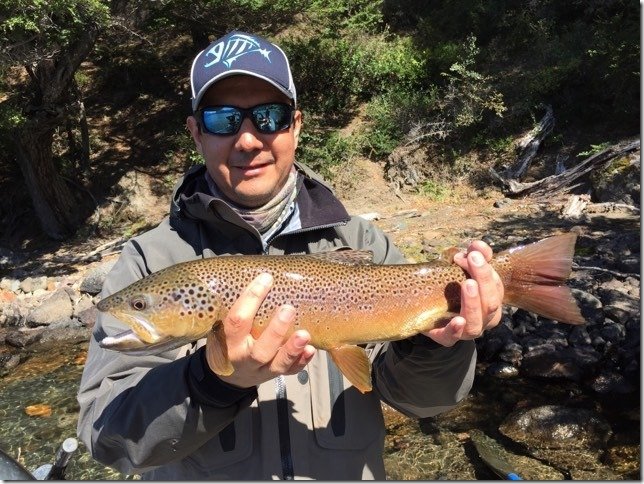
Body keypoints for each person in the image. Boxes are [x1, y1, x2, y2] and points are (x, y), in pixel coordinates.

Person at [76, 30, 504, 480]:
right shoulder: (150, 259)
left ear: (295, 125)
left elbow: (424, 401)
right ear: (196, 133)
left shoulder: (362, 241)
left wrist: (433, 344)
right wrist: (213, 382)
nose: (247, 139)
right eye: (223, 119)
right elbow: (108, 439)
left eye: (268, 116)